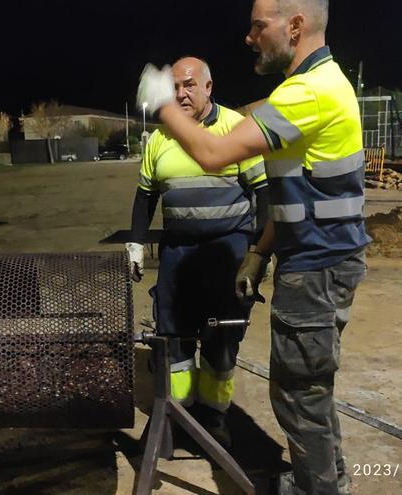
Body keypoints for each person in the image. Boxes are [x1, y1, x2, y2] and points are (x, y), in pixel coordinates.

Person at [136, 1, 369, 493]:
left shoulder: (310, 91)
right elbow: (297, 195)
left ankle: (318, 489)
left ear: (296, 25)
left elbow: (212, 153)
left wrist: (160, 106)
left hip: (318, 267)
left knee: (300, 393)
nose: (249, 38)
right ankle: (325, 480)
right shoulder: (313, 87)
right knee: (309, 390)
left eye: (258, 26)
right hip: (316, 258)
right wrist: (261, 251)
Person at [126, 56, 267, 447]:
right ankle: (180, 413)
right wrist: (136, 242)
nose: (180, 93)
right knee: (174, 336)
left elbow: (264, 196)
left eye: (189, 84)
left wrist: (257, 255)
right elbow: (145, 197)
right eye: (174, 87)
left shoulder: (235, 129)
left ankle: (214, 416)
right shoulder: (159, 139)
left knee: (223, 340)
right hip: (178, 254)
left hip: (227, 253)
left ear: (208, 87)